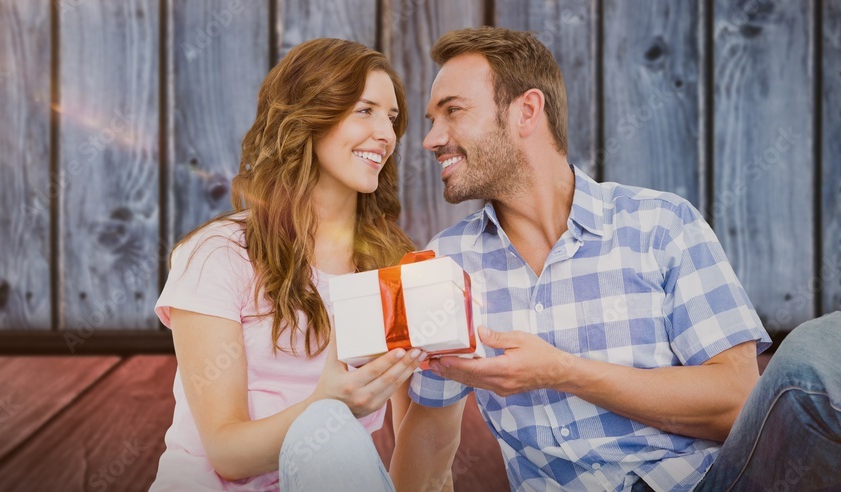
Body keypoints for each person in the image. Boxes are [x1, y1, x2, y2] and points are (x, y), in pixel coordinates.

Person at [282, 26, 841, 492]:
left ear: (527, 111)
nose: (429, 139)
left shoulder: (661, 224)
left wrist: (560, 372)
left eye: (451, 111)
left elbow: (739, 401)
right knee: (328, 437)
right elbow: (429, 444)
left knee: (818, 348)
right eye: (430, 120)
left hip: (709, 484)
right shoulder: (445, 265)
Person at [148, 38, 426, 491]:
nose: (386, 134)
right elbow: (225, 453)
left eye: (392, 118)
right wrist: (327, 405)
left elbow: (417, 441)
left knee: (338, 441)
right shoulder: (217, 254)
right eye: (364, 110)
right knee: (332, 432)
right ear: (309, 118)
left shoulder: (388, 263)